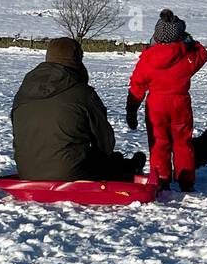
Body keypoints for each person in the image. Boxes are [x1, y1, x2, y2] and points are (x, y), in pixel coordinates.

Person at [11, 38, 144, 182]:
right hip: (71, 172)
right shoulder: (83, 93)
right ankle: (130, 166)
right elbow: (105, 143)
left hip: (27, 171)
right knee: (107, 161)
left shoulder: (23, 92)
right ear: (78, 60)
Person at [127, 10, 207, 191]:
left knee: (158, 142)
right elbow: (203, 53)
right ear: (179, 35)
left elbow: (137, 85)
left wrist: (131, 109)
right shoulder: (187, 57)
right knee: (183, 142)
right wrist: (188, 41)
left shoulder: (147, 59)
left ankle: (162, 178)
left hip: (156, 104)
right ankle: (186, 179)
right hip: (180, 103)